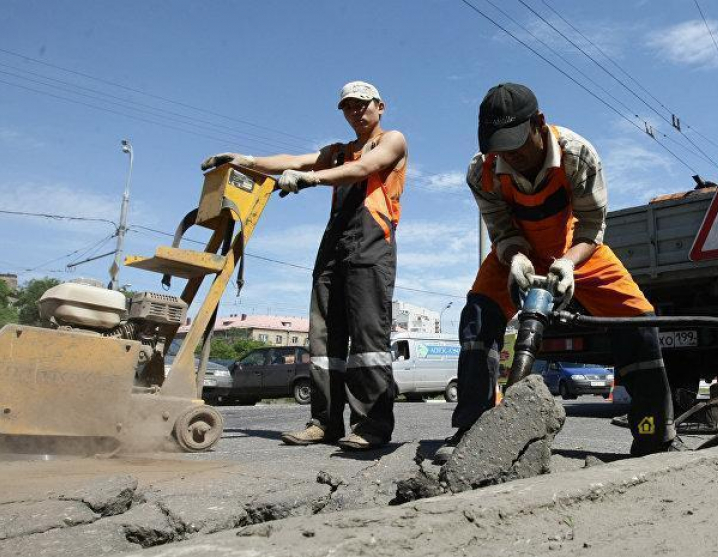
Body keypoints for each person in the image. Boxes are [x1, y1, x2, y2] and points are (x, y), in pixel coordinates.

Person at [435, 83, 679, 462]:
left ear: (539, 123)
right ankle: (473, 432)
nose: (510, 156)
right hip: (518, 251)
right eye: (500, 147)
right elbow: (501, 229)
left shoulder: (577, 153)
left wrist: (567, 263)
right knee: (477, 316)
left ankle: (654, 433)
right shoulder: (481, 171)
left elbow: (591, 227)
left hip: (573, 246)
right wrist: (515, 257)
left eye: (517, 144)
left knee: (637, 317)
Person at [201, 81, 407, 450]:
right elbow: (292, 161)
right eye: (348, 107)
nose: (355, 112)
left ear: (380, 106)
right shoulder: (339, 151)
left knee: (367, 340)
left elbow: (364, 169)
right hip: (334, 246)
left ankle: (372, 426)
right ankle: (325, 422)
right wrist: (243, 160)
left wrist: (309, 179)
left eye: (362, 105)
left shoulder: (391, 141)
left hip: (372, 247)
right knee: (324, 339)